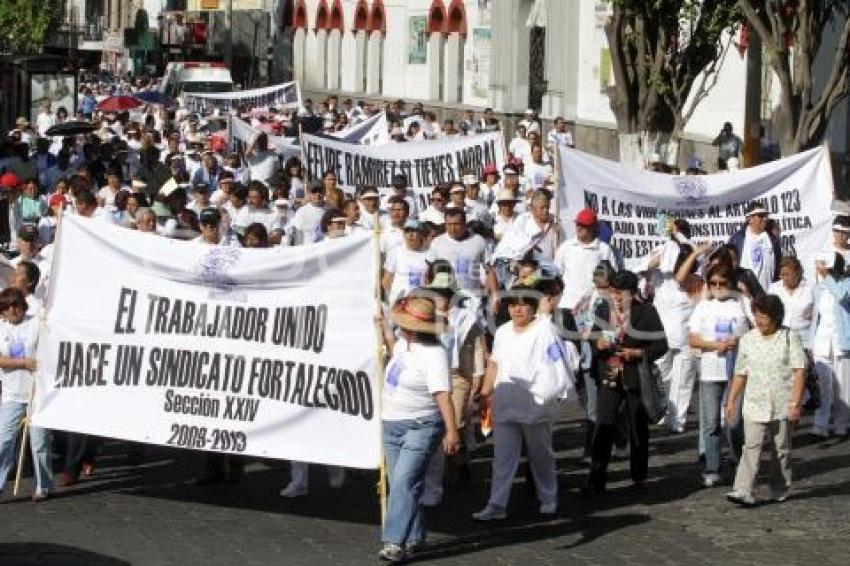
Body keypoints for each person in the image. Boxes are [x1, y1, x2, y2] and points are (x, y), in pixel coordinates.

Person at [473, 283, 575, 520]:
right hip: (505, 402)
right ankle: (496, 504)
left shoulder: (544, 330)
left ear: (532, 307)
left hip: (535, 404)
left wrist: (548, 389)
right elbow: (494, 364)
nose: (517, 310)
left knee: (541, 455)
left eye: (523, 305)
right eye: (513, 305)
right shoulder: (502, 332)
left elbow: (556, 364)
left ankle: (548, 496)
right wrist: (485, 394)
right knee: (502, 458)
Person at [373, 295, 460, 562]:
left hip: (421, 424)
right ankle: (415, 537)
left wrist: (452, 430)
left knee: (404, 481)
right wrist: (383, 328)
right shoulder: (403, 343)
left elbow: (443, 395)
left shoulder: (434, 355)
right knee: (403, 484)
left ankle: (394, 541)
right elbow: (393, 347)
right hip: (392, 422)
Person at [584, 271, 668, 495]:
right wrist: (597, 343)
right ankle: (596, 478)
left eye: (620, 293)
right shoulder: (603, 309)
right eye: (612, 292)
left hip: (634, 376)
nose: (616, 298)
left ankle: (639, 476)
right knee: (603, 426)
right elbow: (593, 336)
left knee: (637, 428)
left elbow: (661, 345)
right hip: (608, 375)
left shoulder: (646, 312)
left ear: (631, 293)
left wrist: (639, 353)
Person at [726, 294, 805, 506]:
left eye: (764, 316)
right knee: (751, 446)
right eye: (756, 315)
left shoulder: (790, 337)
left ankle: (779, 487)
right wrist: (731, 400)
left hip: (782, 403)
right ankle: (743, 489)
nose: (760, 320)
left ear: (776, 317)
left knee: (781, 449)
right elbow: (740, 373)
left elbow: (799, 372)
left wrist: (795, 403)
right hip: (754, 402)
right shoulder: (748, 340)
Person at [688, 265, 749, 487]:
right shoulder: (703, 307)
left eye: (722, 283)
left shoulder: (740, 305)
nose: (717, 288)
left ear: (730, 284)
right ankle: (712, 467)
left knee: (734, 423)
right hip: (710, 370)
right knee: (711, 423)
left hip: (736, 371)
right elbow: (693, 339)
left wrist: (737, 342)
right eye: (713, 283)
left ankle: (739, 459)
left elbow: (752, 334)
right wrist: (715, 345)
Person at [0, 287, 53, 501]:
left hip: (37, 393)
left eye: (15, 305)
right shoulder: (1, 329)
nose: (12, 310)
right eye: (6, 307)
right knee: (3, 440)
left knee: (39, 442)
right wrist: (23, 362)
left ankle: (44, 485)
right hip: (12, 394)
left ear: (23, 305)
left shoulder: (35, 324)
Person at [808, 253, 850, 438]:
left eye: (830, 270)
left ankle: (842, 423)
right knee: (824, 385)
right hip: (821, 342)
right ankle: (821, 424)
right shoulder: (819, 288)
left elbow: (842, 296)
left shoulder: (846, 284)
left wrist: (827, 277)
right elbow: (816, 317)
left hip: (842, 342)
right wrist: (810, 342)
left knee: (843, 386)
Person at [728, 201, 782, 293]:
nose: (765, 219)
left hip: (768, 295)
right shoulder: (738, 239)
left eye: (766, 216)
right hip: (744, 295)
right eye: (761, 216)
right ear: (750, 219)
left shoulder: (772, 241)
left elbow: (778, 268)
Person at [382, 219, 432, 306]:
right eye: (407, 231)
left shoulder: (430, 253)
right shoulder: (395, 252)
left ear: (421, 234)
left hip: (421, 304)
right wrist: (392, 298)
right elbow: (386, 280)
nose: (410, 235)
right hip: (399, 303)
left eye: (414, 231)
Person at [290, 180, 326, 245]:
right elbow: (297, 236)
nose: (318, 194)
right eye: (314, 191)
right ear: (309, 194)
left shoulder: (330, 210)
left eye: (320, 191)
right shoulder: (301, 212)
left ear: (324, 193)